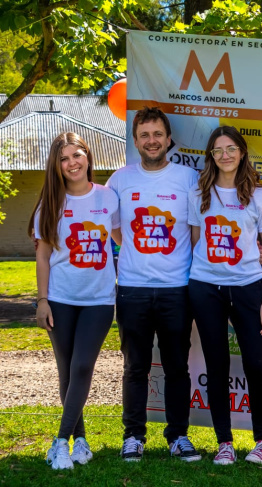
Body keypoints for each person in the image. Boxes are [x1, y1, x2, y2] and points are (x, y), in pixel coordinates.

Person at [106, 107, 201, 462]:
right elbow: (116, 231)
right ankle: (133, 436)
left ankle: (178, 436)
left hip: (177, 289)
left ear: (169, 138)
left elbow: (195, 233)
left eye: (157, 134)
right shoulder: (119, 180)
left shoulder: (188, 178)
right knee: (135, 367)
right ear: (135, 141)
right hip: (132, 288)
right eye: (144, 135)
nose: (152, 141)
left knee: (177, 367)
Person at [187, 126, 262, 465]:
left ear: (242, 152)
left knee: (255, 364)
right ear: (211, 156)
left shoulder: (259, 195)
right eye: (217, 150)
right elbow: (195, 241)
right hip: (205, 288)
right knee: (216, 365)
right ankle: (224, 442)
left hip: (248, 288)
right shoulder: (199, 193)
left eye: (230, 149)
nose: (224, 155)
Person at [28, 133, 119, 470]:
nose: (72, 163)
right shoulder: (50, 204)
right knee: (66, 371)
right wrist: (42, 300)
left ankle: (60, 442)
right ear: (57, 166)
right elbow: (43, 257)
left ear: (87, 156)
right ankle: (80, 441)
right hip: (60, 299)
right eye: (64, 159)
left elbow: (122, 238)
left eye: (76, 155)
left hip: (99, 299)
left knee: (82, 366)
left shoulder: (108, 197)